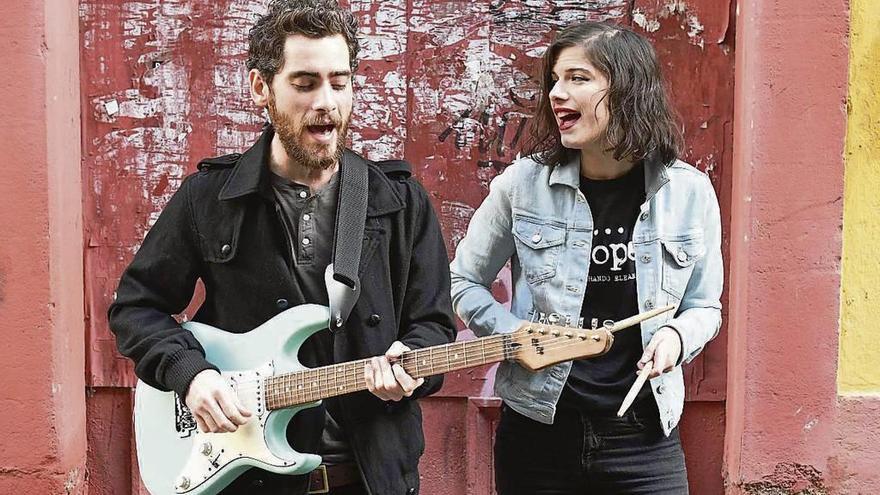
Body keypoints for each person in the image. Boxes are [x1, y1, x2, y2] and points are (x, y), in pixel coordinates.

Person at [108, 1, 456, 493]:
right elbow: (137, 308)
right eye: (305, 82)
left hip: (371, 474)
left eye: (340, 81)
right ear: (260, 88)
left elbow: (435, 324)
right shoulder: (209, 198)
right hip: (250, 476)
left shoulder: (398, 200)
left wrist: (413, 360)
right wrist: (192, 375)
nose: (327, 102)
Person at [449, 21, 722, 494]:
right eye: (555, 79)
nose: (557, 93)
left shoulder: (689, 193)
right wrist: (520, 335)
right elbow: (462, 283)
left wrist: (677, 338)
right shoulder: (522, 186)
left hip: (643, 434)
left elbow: (705, 306)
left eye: (578, 78)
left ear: (628, 91)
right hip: (539, 430)